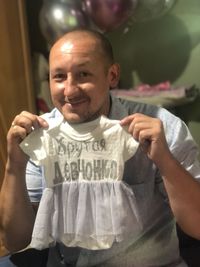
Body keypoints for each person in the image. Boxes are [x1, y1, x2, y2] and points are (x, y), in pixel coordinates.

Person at [0, 28, 200, 267]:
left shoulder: (161, 128)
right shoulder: (42, 133)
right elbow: (15, 240)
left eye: (83, 74)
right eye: (59, 77)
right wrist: (14, 165)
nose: (70, 91)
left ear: (112, 75)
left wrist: (165, 162)